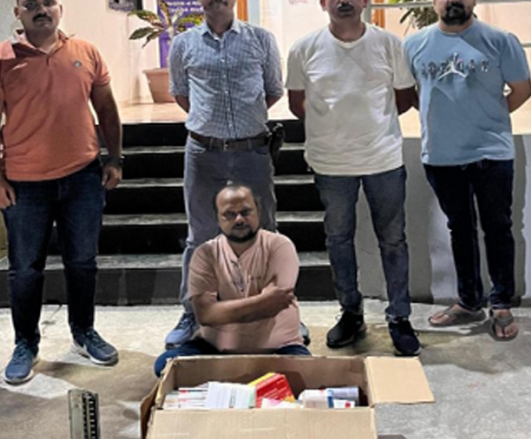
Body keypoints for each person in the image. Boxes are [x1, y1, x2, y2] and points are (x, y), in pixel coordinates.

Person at [0, 0, 124, 384]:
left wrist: (114, 157)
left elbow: (106, 108)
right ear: (17, 12)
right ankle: (25, 343)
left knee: (83, 262)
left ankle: (84, 332)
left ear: (60, 8)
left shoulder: (86, 51)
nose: (41, 10)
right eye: (31, 4)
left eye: (48, 3)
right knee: (25, 269)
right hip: (24, 183)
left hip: (83, 177)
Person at [286, 0, 421, 356]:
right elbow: (297, 104)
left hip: (383, 159)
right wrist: (333, 126)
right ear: (323, 3)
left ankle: (399, 317)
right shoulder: (303, 48)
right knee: (339, 239)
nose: (343, 2)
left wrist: (370, 124)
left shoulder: (389, 44)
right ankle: (351, 312)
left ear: (364, 2)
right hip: (331, 163)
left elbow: (404, 98)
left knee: (393, 240)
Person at [162, 0, 292, 349]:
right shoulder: (183, 44)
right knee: (200, 236)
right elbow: (181, 94)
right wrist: (214, 126)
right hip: (203, 154)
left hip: (252, 152)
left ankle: (277, 310)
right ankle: (194, 312)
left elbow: (273, 90)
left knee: (265, 233)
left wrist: (242, 126)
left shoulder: (261, 39)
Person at [404, 0, 531, 340]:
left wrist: (488, 117)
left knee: (498, 228)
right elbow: (411, 93)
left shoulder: (500, 40)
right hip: (441, 155)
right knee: (459, 229)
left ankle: (501, 303)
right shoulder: (414, 44)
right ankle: (469, 301)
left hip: (492, 154)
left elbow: (522, 90)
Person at [154, 184, 310, 376]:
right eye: (229, 214)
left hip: (279, 348)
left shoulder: (279, 246)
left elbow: (275, 304)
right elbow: (205, 315)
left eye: (246, 212)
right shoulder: (205, 254)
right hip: (214, 348)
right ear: (217, 218)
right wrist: (262, 301)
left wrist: (221, 311)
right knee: (164, 366)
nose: (239, 219)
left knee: (304, 374)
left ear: (258, 211)